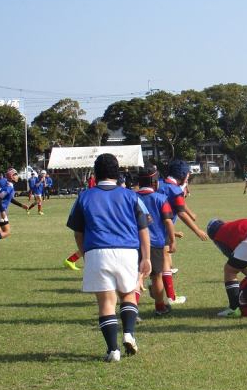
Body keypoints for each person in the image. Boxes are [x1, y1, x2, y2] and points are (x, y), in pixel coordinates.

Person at [66, 153, 151, 362]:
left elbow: (78, 232)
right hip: (127, 251)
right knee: (128, 295)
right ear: (117, 172)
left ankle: (113, 350)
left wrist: (86, 254)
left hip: (97, 251)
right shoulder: (131, 196)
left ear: (95, 173)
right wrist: (146, 258)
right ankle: (129, 333)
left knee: (106, 303)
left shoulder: (84, 196)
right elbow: (143, 229)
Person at [157, 160, 209, 303]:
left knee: (164, 262)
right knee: (164, 263)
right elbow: (180, 212)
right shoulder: (175, 190)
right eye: (188, 174)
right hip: (160, 231)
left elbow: (178, 205)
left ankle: (156, 286)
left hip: (152, 228)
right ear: (183, 175)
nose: (188, 176)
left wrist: (190, 213)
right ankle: (170, 297)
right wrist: (197, 230)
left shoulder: (160, 184)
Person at [136, 166, 177, 316]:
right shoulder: (161, 199)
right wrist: (172, 240)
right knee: (156, 276)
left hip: (134, 243)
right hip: (155, 244)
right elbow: (168, 221)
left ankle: (131, 309)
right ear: (154, 182)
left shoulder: (131, 197)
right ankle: (160, 307)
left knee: (136, 276)